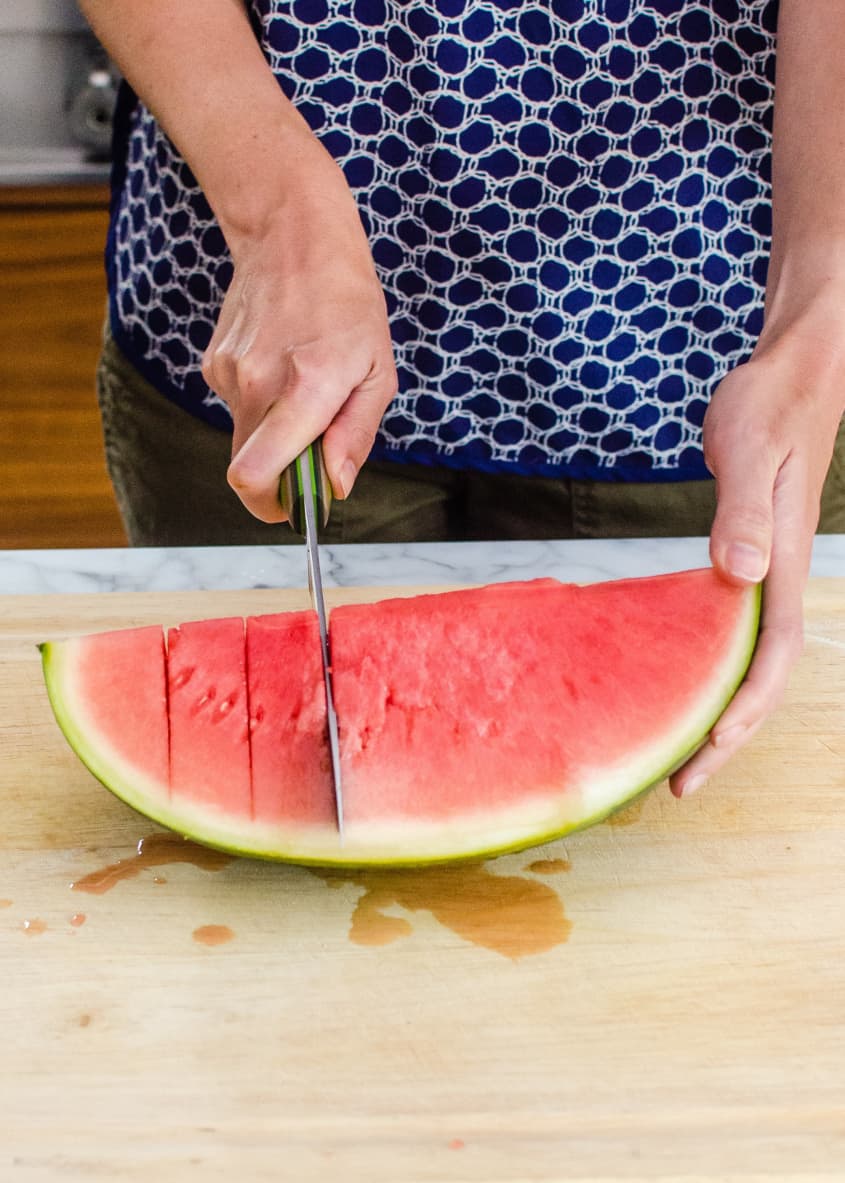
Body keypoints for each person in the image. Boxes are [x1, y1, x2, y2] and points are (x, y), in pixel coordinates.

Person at [80, 0, 844, 800]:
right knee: (264, 777)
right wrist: (274, 215)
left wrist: (817, 307)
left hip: (699, 340)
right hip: (262, 339)